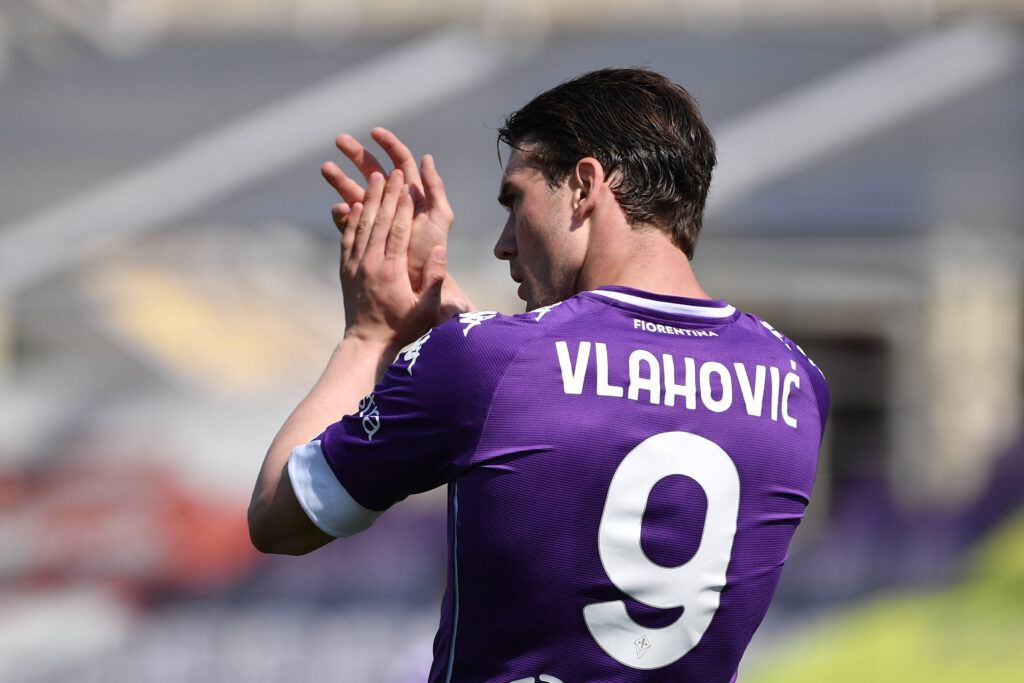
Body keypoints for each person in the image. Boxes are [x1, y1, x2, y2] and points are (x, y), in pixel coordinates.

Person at [248, 68, 829, 682]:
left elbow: (279, 516)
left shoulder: (484, 363)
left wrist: (371, 336)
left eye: (515, 201)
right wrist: (459, 340)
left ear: (584, 187)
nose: (504, 244)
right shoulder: (797, 381)